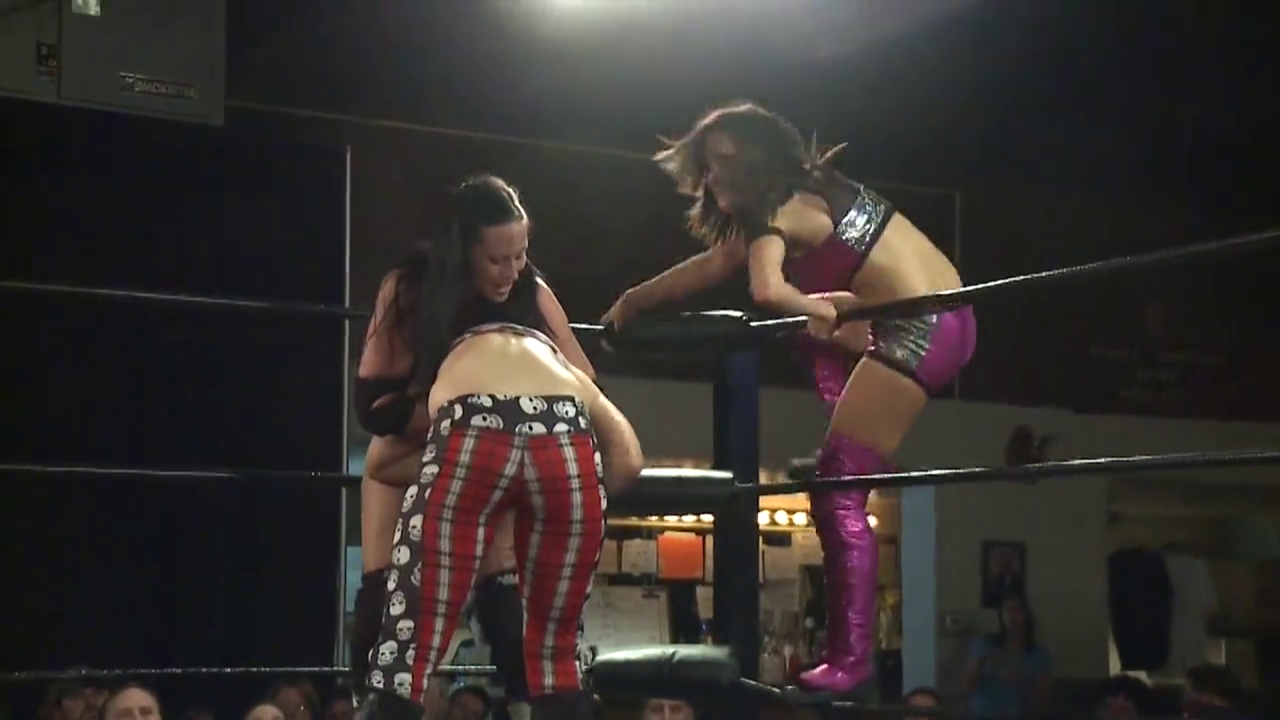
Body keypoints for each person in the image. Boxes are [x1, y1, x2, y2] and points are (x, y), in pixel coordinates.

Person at [601, 102, 976, 693]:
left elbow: (765, 288)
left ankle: (851, 659)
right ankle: (846, 428)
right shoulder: (811, 193)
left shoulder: (774, 210)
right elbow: (717, 263)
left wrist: (819, 310)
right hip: (943, 316)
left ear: (757, 158)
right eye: (708, 165)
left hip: (917, 329)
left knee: (835, 488)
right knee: (803, 341)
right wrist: (635, 300)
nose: (714, 177)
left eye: (726, 161)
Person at [355, 175, 645, 720]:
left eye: (521, 255)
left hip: (482, 443)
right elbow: (373, 406)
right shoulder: (415, 288)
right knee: (555, 655)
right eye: (497, 259)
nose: (512, 271)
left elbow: (585, 382)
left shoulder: (530, 290)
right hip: (536, 442)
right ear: (462, 249)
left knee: (407, 644)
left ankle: (392, 662)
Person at [960, 593, 1052, 718]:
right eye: (1006, 611)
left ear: (1027, 615)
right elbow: (967, 688)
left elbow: (1042, 704)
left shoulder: (1039, 655)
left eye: (1016, 610)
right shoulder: (984, 644)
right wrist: (983, 661)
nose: (1011, 615)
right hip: (980, 714)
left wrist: (1019, 682)